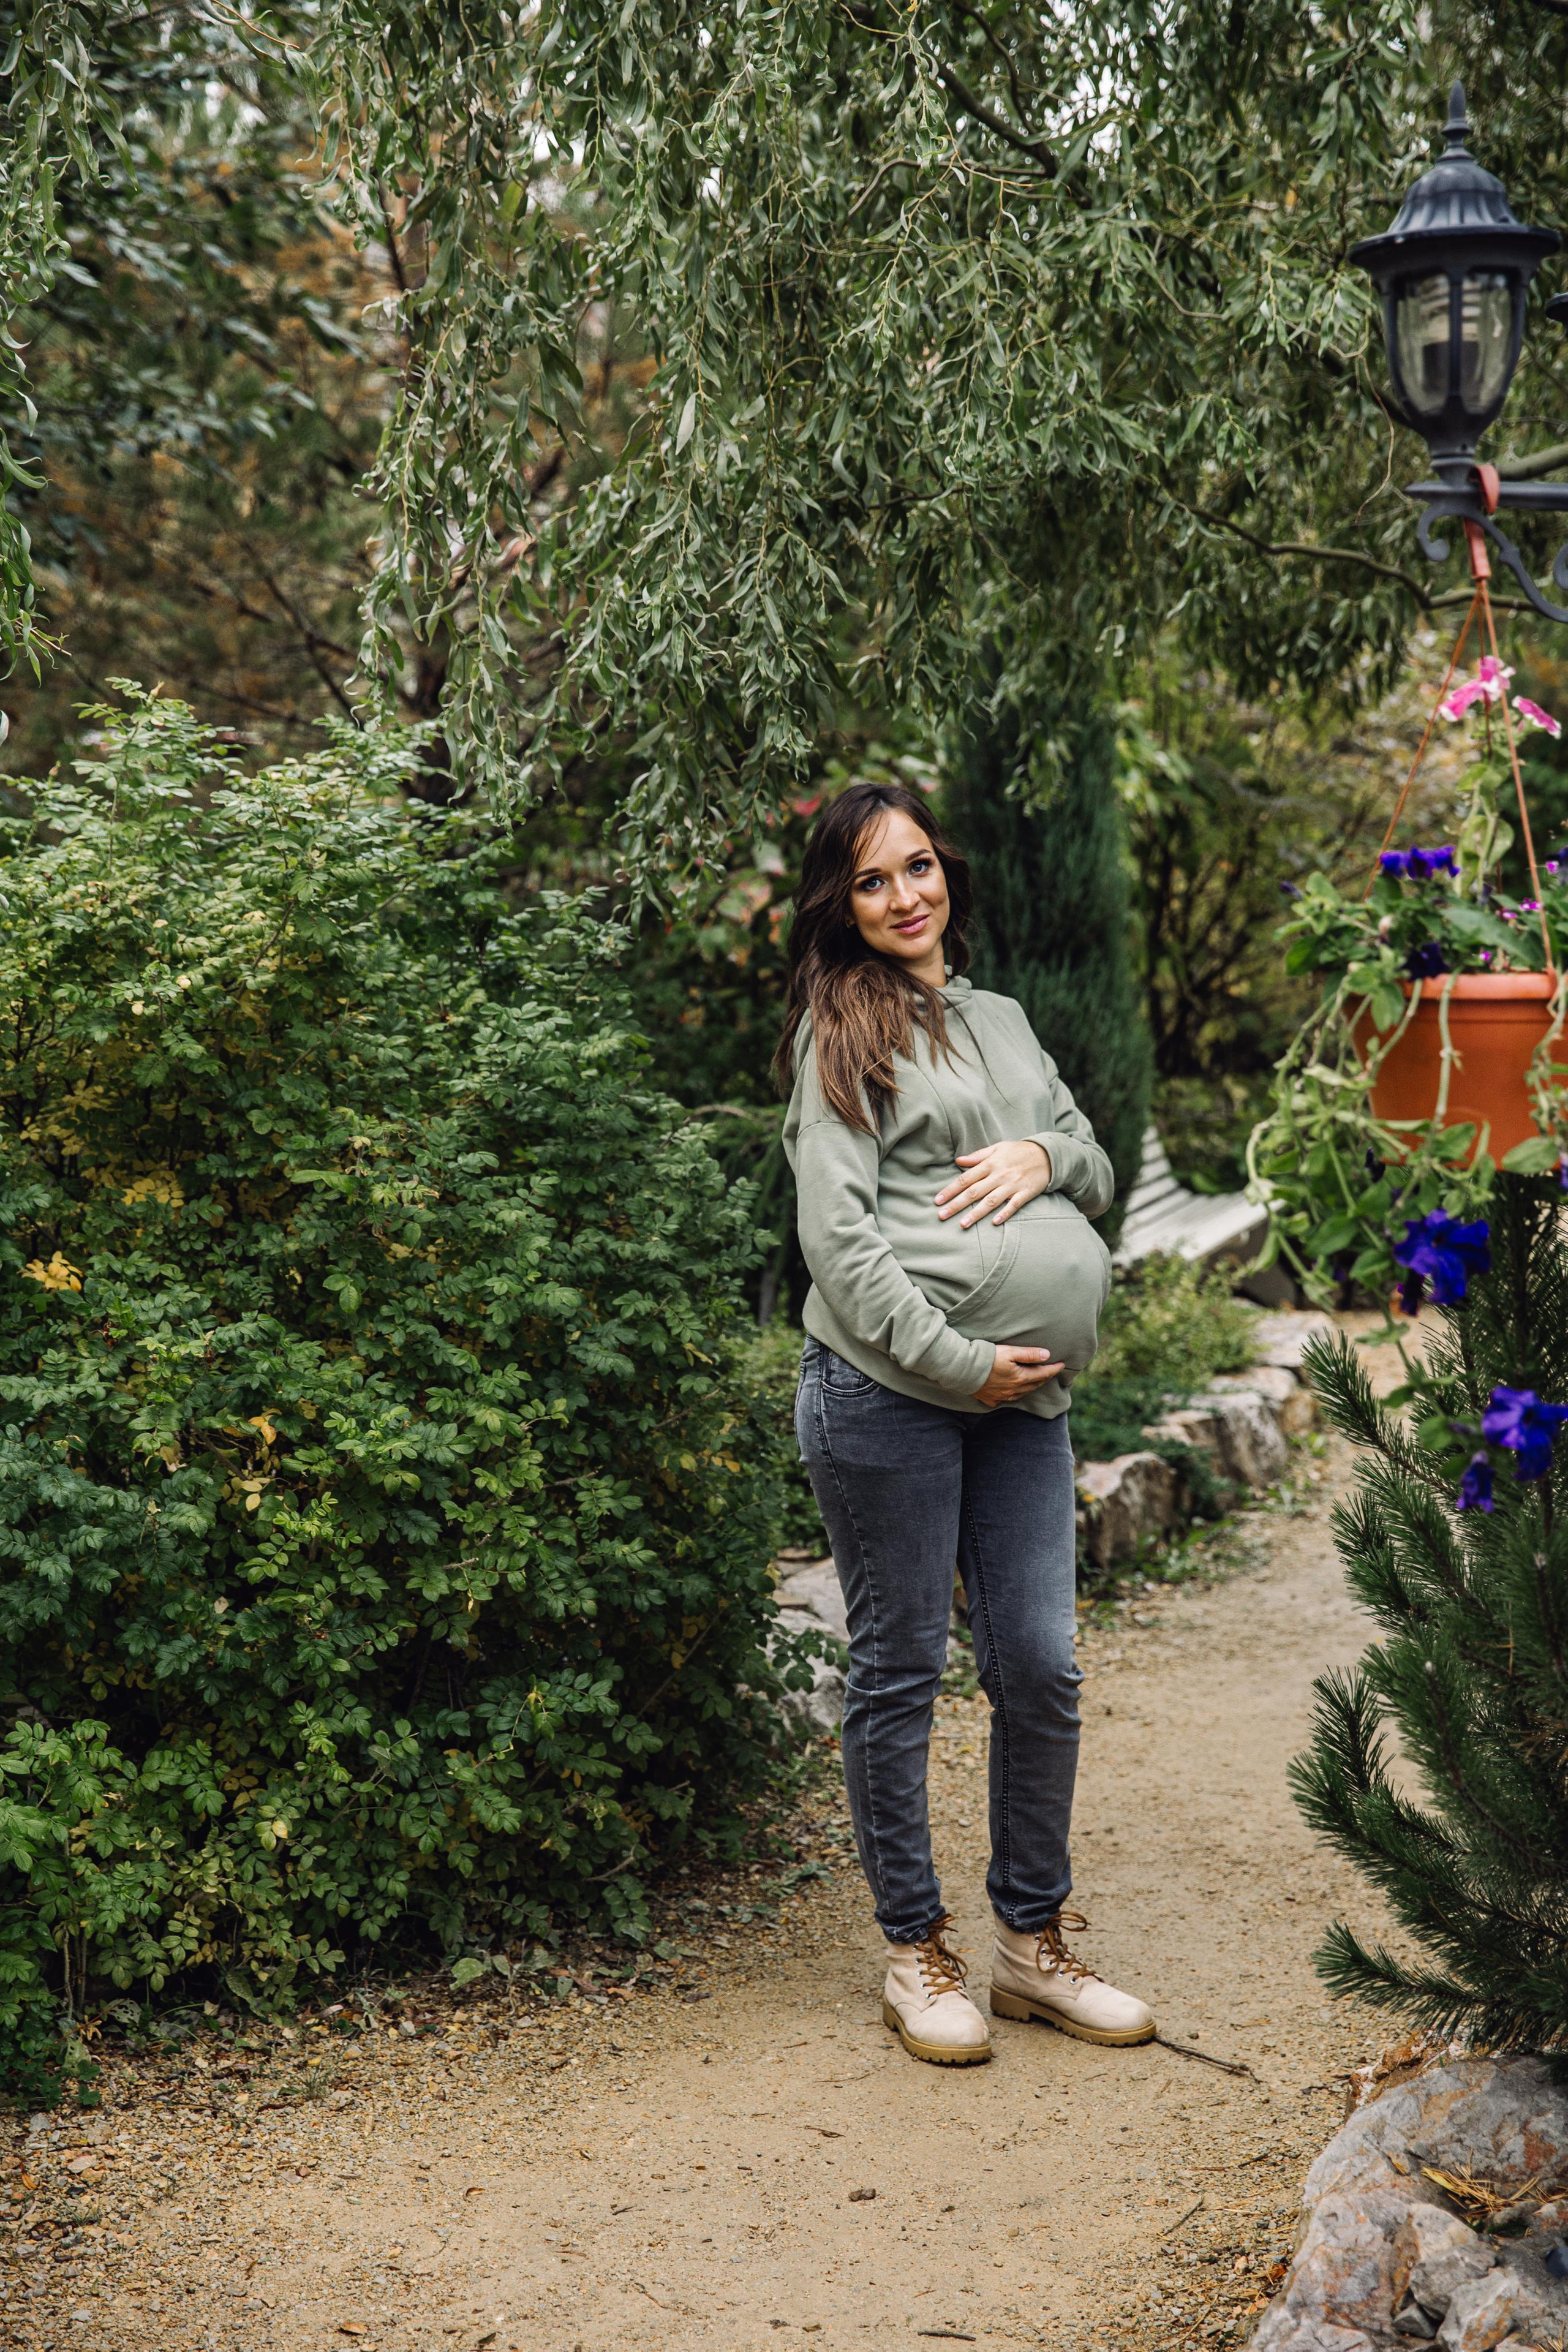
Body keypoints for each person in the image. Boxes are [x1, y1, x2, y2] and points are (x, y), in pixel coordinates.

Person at [776, 780, 1155, 2065]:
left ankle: (1029, 1946)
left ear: (948, 875)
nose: (904, 897)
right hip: (887, 1395)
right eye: (873, 881)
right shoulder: (839, 1036)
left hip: (1022, 1402)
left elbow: (1091, 1158)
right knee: (896, 1670)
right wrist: (954, 1360)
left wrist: (1045, 1159)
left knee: (1040, 1668)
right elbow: (834, 1244)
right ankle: (913, 1951)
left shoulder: (997, 1018)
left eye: (919, 868)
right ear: (842, 904)